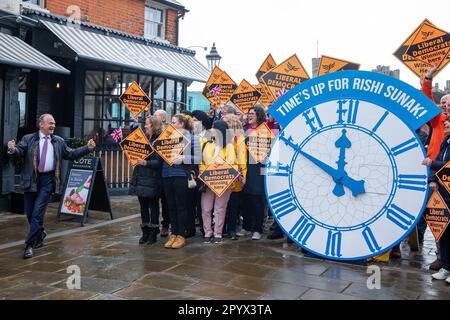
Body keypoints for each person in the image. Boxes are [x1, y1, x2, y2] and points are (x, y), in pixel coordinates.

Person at [7, 114, 95, 258]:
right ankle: (40, 233)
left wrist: (88, 148)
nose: (53, 125)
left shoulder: (58, 141)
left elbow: (71, 154)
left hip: (48, 181)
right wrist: (12, 149)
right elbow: (20, 151)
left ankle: (29, 244)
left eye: (54, 123)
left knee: (37, 213)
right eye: (50, 123)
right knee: (30, 213)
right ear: (41, 124)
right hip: (31, 179)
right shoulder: (29, 139)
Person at [162, 114, 201, 249]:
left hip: (181, 175)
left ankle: (181, 235)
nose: (171, 125)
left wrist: (183, 157)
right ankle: (174, 234)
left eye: (174, 122)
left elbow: (197, 158)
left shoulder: (192, 138)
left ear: (182, 124)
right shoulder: (168, 137)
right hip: (167, 174)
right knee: (170, 206)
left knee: (181, 206)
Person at [200, 120, 237, 243]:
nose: (211, 130)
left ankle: (217, 233)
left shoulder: (229, 146)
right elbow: (202, 163)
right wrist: (207, 170)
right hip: (208, 181)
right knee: (206, 208)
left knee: (220, 209)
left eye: (214, 128)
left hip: (223, 182)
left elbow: (232, 162)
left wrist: (221, 165)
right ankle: (207, 232)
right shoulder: (207, 144)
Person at [423, 117, 450, 283]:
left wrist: (431, 163)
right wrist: (432, 179)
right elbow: (441, 160)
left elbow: (445, 164)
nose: (445, 124)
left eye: (448, 121)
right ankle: (446, 267)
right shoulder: (446, 140)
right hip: (444, 192)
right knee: (445, 232)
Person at [129, 116, 163, 245]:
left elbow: (159, 162)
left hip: (152, 177)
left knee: (153, 205)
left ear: (154, 125)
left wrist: (145, 162)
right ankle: (145, 232)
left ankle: (153, 232)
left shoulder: (159, 140)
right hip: (141, 176)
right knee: (143, 205)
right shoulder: (145, 138)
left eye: (148, 124)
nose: (146, 126)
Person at [237, 106, 267, 240]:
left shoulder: (265, 130)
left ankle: (257, 229)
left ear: (259, 115)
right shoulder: (244, 130)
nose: (249, 116)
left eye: (252, 114)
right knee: (245, 199)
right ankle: (246, 227)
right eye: (248, 113)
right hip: (244, 167)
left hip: (257, 168)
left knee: (257, 199)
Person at [223, 114, 247, 240]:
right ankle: (221, 228)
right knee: (222, 205)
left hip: (234, 175)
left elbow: (241, 157)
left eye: (225, 121)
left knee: (232, 204)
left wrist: (241, 174)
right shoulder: (219, 136)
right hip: (222, 174)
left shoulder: (239, 138)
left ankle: (231, 229)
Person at [153, 109, 170, 237]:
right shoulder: (152, 131)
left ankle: (165, 225)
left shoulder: (168, 131)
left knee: (165, 200)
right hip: (154, 171)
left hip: (164, 169)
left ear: (163, 118)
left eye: (157, 116)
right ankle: (153, 225)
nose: (154, 117)